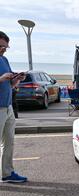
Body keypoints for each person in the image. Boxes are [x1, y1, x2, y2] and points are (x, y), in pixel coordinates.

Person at [0, 31, 27, 183]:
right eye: (1, 46)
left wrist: (17, 80)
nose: (4, 49)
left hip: (8, 107)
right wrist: (1, 78)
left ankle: (7, 173)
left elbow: (9, 84)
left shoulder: (4, 60)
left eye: (6, 47)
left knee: (9, 142)